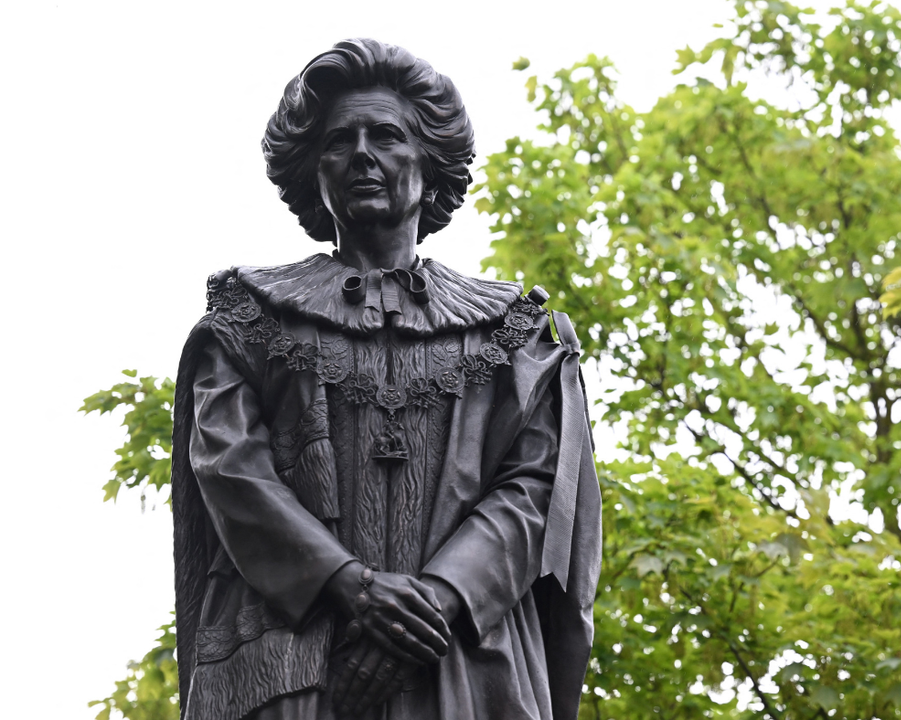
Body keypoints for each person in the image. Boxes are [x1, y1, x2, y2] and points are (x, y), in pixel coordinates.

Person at [170, 39, 601, 720]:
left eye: (387, 136)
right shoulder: (248, 321)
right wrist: (349, 587)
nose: (362, 153)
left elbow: (540, 490)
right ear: (313, 173)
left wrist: (435, 600)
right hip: (296, 665)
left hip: (463, 660)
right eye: (340, 141)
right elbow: (231, 471)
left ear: (430, 169)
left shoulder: (515, 334)